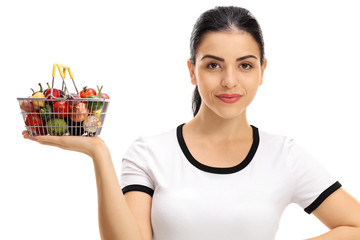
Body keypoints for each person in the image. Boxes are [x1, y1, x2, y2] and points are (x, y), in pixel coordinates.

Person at [22, 6, 360, 240]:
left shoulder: (283, 155)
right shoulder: (149, 152)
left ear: (262, 72)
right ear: (191, 70)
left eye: (245, 65)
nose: (229, 81)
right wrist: (98, 152)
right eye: (213, 65)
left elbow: (355, 225)